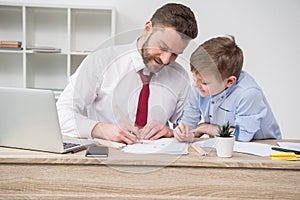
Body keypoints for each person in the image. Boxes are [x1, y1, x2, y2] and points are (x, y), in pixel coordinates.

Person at [56, 3, 198, 144]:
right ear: (148, 28)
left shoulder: (179, 76)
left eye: (175, 54)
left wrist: (171, 132)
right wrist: (101, 130)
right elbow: (61, 114)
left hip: (157, 158)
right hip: (105, 157)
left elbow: (190, 127)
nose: (166, 60)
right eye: (163, 47)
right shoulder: (101, 61)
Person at [174, 35, 282, 142]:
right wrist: (183, 132)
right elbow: (188, 123)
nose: (196, 85)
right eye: (194, 78)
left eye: (204, 82)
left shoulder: (248, 93)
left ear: (229, 81)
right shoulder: (198, 86)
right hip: (225, 142)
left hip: (262, 145)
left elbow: (243, 136)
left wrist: (207, 128)